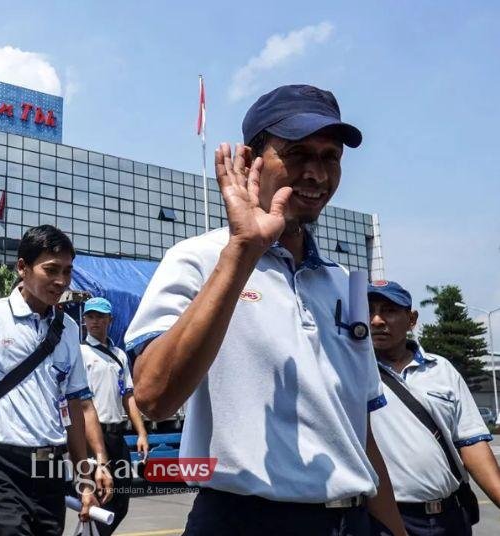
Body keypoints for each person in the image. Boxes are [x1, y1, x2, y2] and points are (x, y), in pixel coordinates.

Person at [124, 85, 407, 535]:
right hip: (246, 520)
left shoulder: (348, 285)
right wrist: (242, 252)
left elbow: (359, 432)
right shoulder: (198, 259)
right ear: (251, 161)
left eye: (330, 156)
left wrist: (395, 529)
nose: (316, 173)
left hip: (354, 519)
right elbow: (154, 396)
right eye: (296, 154)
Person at [0, 225, 99, 535]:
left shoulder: (67, 329)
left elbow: (74, 410)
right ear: (22, 268)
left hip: (50, 468)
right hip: (0, 465)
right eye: (51, 270)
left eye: (67, 271)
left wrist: (84, 479)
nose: (61, 281)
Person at [368, 280, 500, 535]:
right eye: (369, 310)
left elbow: (471, 444)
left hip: (450, 518)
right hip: (385, 521)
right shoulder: (350, 372)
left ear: (412, 319)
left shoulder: (441, 370)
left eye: (389, 310)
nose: (376, 320)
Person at [80, 296, 150, 535]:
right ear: (84, 320)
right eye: (90, 316)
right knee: (100, 496)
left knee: (121, 499)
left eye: (100, 316)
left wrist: (141, 432)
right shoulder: (81, 354)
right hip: (93, 436)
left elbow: (128, 396)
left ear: (110, 319)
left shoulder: (119, 355)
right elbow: (80, 403)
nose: (94, 321)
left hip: (116, 435)